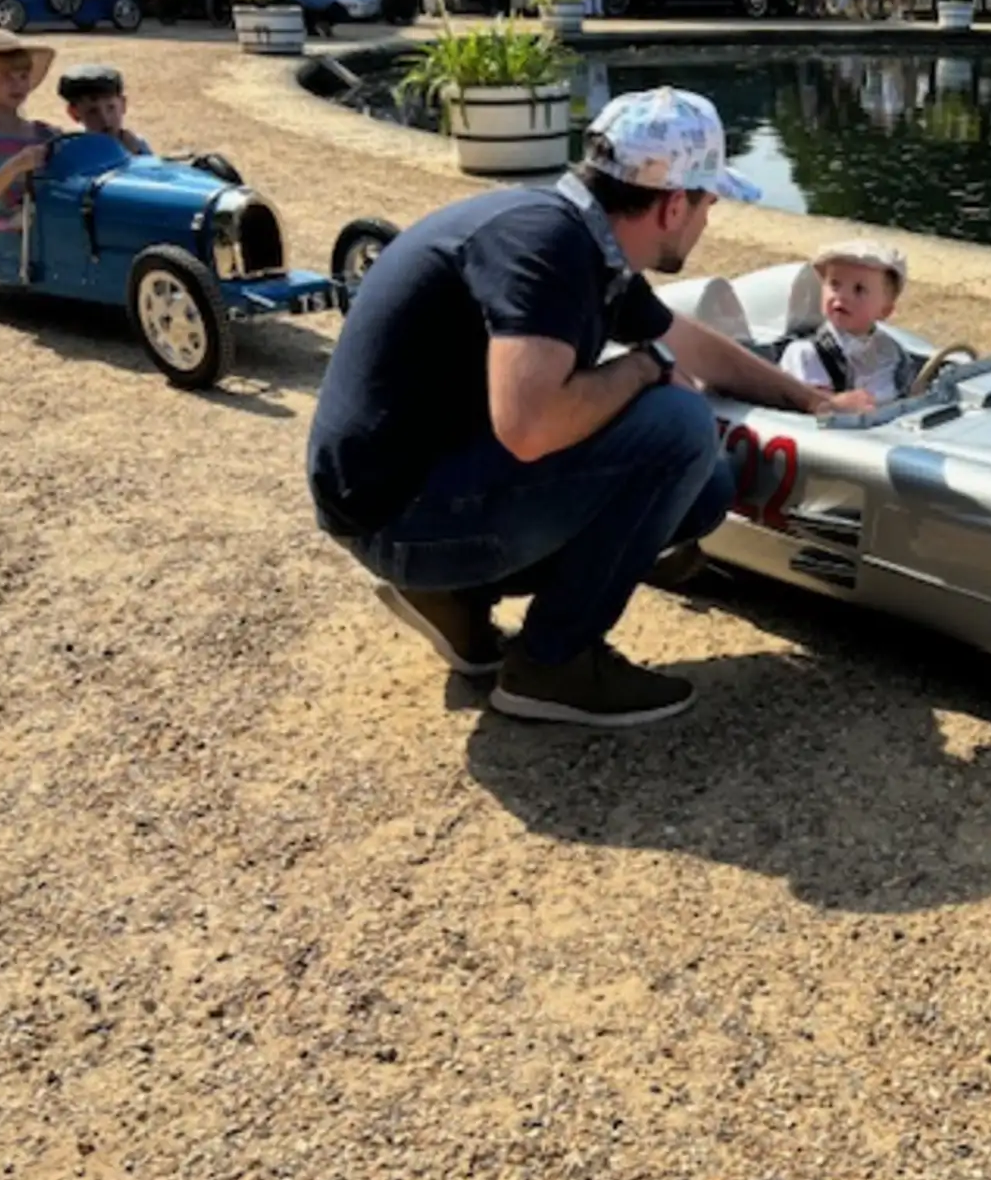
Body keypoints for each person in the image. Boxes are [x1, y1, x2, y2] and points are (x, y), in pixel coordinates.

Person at [306, 87, 873, 727]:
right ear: (674, 204)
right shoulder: (548, 248)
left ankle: (453, 596)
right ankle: (553, 663)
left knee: (703, 486)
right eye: (709, 203)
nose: (709, 221)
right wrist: (641, 370)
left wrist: (813, 401)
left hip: (394, 496)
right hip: (397, 518)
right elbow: (530, 427)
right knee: (680, 431)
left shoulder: (572, 234)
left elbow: (688, 344)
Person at [778, 239, 913, 403]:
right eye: (834, 284)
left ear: (884, 311)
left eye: (859, 289)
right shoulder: (808, 354)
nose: (842, 296)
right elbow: (812, 411)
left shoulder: (891, 353)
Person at [0, 28, 60, 238]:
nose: (18, 84)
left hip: (37, 232)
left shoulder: (43, 133)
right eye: (6, 77)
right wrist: (17, 164)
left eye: (23, 76)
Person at [57, 65, 151, 155]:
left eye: (111, 108)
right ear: (74, 113)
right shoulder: (76, 153)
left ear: (123, 105)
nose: (104, 119)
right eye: (93, 112)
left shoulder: (137, 145)